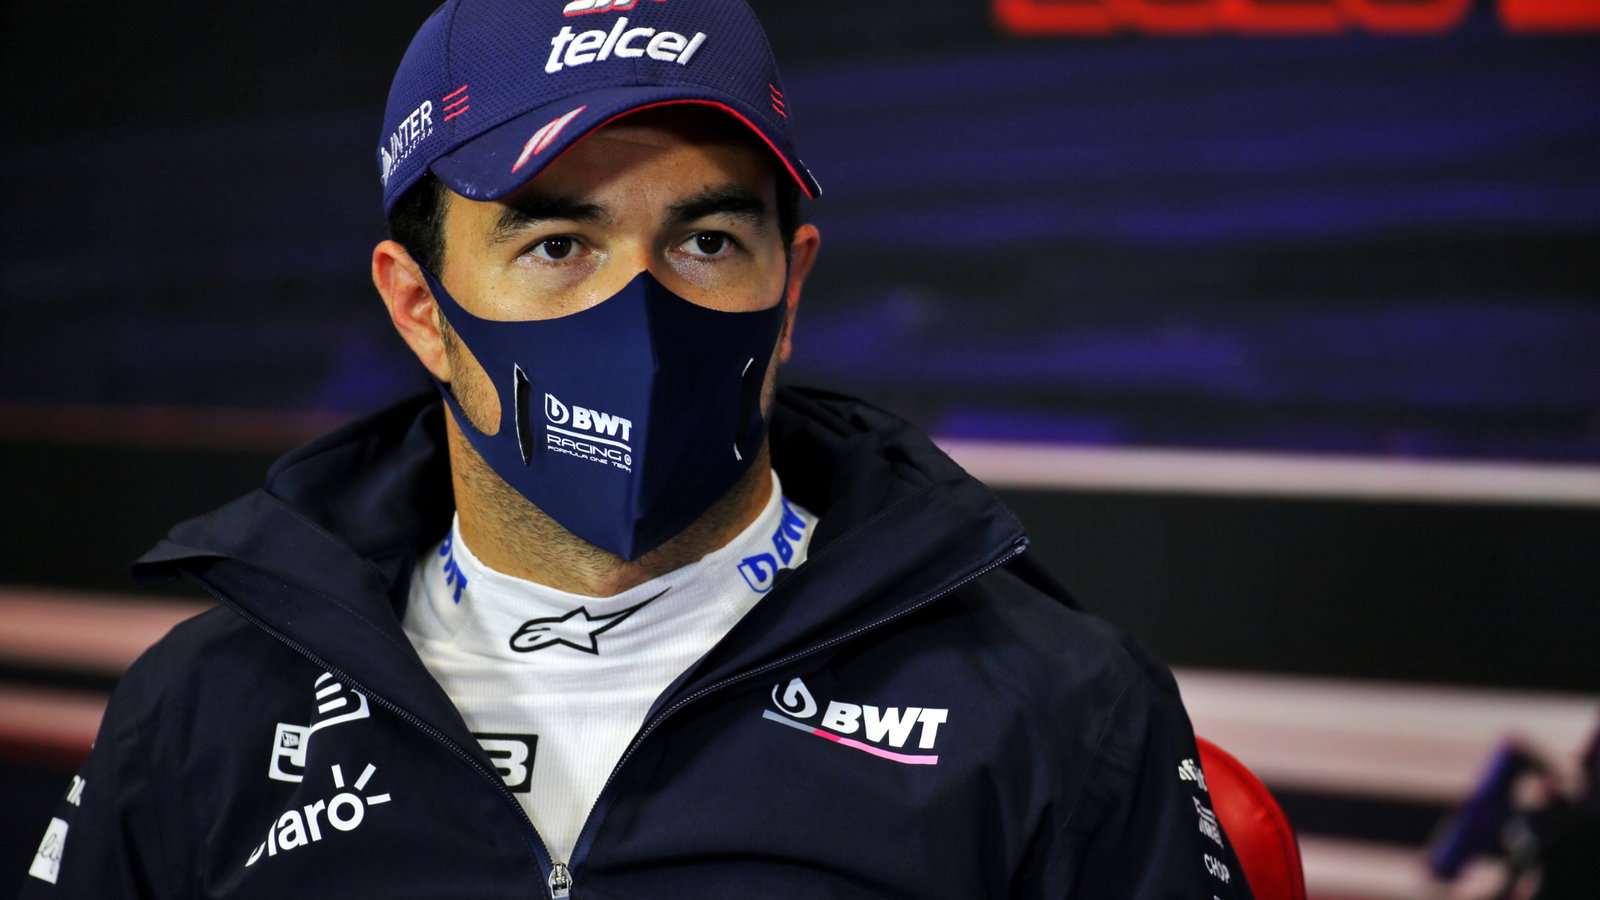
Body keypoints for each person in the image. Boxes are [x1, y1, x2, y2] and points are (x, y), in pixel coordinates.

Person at [23, 1, 1255, 897]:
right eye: (557, 245)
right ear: (418, 308)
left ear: (792, 288)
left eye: (708, 241)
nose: (643, 309)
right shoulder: (205, 714)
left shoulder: (1054, 706)